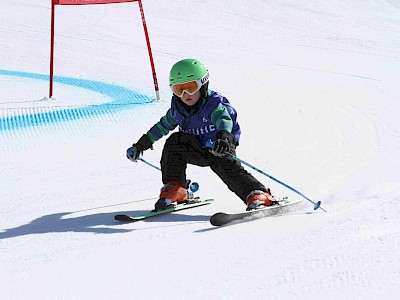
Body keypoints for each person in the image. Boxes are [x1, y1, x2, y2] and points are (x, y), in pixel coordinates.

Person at [126, 58, 275, 211]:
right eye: (179, 89)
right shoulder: (178, 108)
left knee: (224, 165)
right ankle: (177, 189)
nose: (185, 94)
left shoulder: (214, 104)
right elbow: (162, 126)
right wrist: (141, 144)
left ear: (203, 84)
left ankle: (257, 193)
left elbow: (224, 119)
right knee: (174, 142)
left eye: (191, 87)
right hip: (195, 148)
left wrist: (224, 137)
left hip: (219, 145)